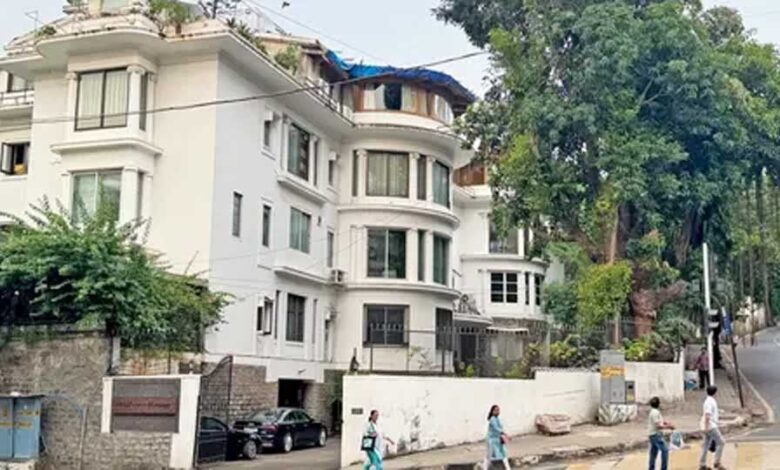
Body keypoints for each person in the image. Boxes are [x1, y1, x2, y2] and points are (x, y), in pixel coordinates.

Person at [699, 385, 726, 470]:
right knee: (721, 442)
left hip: (709, 425)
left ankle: (702, 464)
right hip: (711, 426)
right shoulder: (709, 402)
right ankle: (717, 462)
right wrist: (706, 427)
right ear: (715, 393)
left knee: (706, 445)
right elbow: (707, 415)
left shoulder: (709, 400)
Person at [647, 397, 674, 470]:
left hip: (652, 434)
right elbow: (658, 425)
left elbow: (659, 421)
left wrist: (666, 423)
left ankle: (651, 468)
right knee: (665, 450)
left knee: (653, 453)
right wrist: (669, 427)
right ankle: (663, 468)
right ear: (659, 404)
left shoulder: (653, 411)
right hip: (656, 435)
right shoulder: (655, 412)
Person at [484, 404, 511, 470]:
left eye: (498, 410)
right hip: (492, 441)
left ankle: (508, 468)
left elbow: (500, 428)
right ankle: (485, 467)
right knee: (490, 455)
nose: (497, 412)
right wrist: (505, 434)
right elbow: (497, 428)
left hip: (497, 440)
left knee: (503, 454)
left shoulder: (497, 419)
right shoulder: (492, 419)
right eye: (496, 410)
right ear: (492, 411)